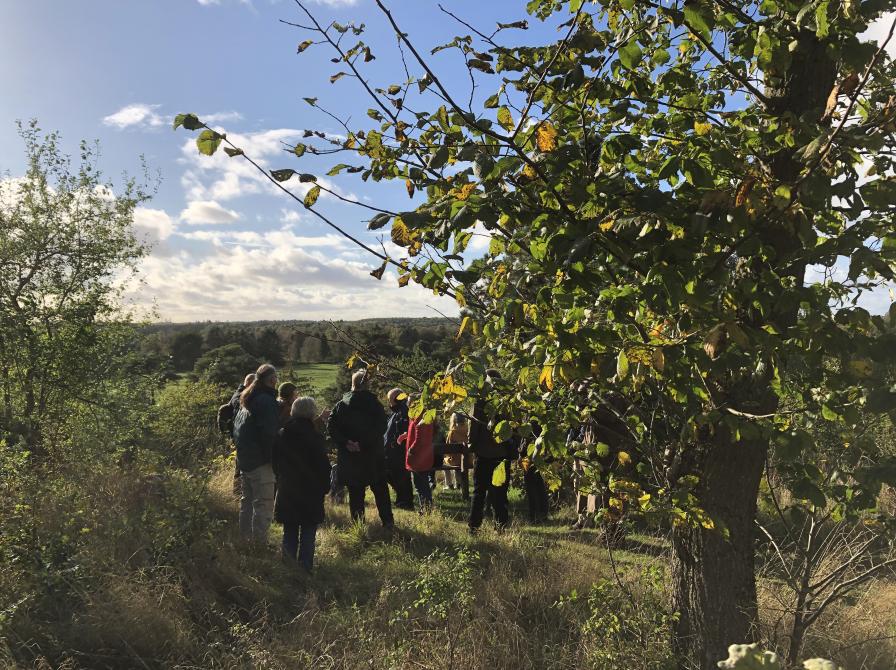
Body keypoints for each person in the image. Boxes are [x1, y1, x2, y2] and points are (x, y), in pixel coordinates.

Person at [327, 369, 394, 528]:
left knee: (355, 491)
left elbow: (331, 427)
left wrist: (346, 442)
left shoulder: (341, 405)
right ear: (367, 384)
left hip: (350, 456)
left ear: (353, 384)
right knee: (380, 489)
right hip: (373, 454)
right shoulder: (374, 405)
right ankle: (388, 522)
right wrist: (363, 443)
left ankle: (359, 525)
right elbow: (381, 427)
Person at [274, 396, 331, 572]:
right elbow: (324, 466)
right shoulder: (316, 437)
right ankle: (305, 569)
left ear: (294, 411)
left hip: (288, 489)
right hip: (311, 491)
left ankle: (288, 568)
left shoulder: (282, 434)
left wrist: (280, 479)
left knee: (289, 531)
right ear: (312, 413)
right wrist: (325, 487)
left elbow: (275, 462)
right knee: (308, 532)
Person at [233, 364, 279, 543]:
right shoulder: (267, 401)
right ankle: (259, 544)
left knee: (247, 502)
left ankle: (244, 539)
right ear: (272, 380)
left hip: (245, 459)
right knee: (263, 504)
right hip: (260, 462)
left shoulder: (248, 398)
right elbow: (269, 434)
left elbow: (238, 429)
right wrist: (272, 459)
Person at [468, 369, 517, 533]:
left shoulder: (480, 400)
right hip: (502, 454)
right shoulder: (507, 400)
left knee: (479, 493)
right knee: (500, 494)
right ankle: (500, 527)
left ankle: (474, 526)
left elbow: (473, 426)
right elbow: (514, 426)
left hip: (483, 453)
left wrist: (472, 445)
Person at [399, 404, 436, 512]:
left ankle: (426, 510)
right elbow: (416, 432)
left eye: (410, 402)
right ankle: (425, 509)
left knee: (421, 485)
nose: (408, 404)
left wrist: (411, 449)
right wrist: (406, 435)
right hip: (421, 455)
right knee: (421, 484)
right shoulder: (418, 415)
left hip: (419, 457)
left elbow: (420, 437)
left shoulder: (421, 416)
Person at [384, 388, 415, 510]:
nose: (389, 402)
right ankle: (402, 499)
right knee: (393, 475)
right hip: (392, 451)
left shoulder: (404, 412)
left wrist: (396, 444)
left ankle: (405, 501)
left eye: (390, 399)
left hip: (398, 452)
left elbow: (404, 431)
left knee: (400, 476)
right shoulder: (397, 412)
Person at [228, 373, 255, 495]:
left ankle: (238, 493)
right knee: (240, 467)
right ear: (250, 384)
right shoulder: (241, 396)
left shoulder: (237, 394)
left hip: (238, 436)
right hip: (241, 438)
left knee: (240, 466)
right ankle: (238, 493)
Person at [444, 412, 470, 500]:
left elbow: (448, 449)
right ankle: (458, 483)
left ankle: (449, 484)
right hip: (468, 460)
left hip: (456, 460)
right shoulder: (468, 430)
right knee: (457, 459)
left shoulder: (452, 432)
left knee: (446, 460)